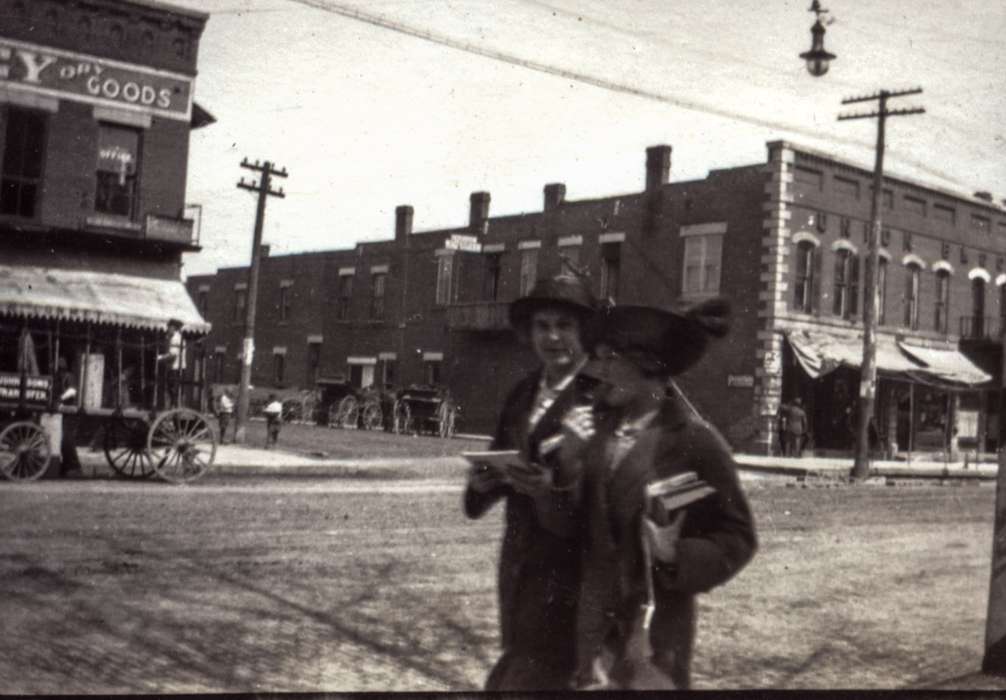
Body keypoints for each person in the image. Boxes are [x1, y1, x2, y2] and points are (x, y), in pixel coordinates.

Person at [556, 299, 757, 690]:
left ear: (646, 364)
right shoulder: (595, 433)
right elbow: (576, 527)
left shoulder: (696, 441)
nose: (599, 370)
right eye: (597, 359)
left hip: (655, 636)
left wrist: (674, 554)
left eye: (610, 358)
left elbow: (739, 537)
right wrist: (567, 464)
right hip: (592, 630)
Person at [463, 273, 600, 691]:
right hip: (520, 568)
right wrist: (483, 485)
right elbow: (500, 458)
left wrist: (553, 488)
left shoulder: (601, 397)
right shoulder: (522, 392)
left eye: (565, 326)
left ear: (585, 331)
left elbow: (611, 496)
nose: (553, 337)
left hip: (574, 575)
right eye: (542, 326)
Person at [56, 357, 82, 477]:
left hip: (72, 411)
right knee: (63, 439)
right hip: (66, 411)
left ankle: (74, 466)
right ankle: (67, 465)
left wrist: (61, 398)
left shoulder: (69, 377)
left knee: (67, 438)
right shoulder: (61, 378)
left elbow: (72, 391)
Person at [157, 319, 185, 408]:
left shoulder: (176, 339)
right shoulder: (173, 338)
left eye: (169, 327)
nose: (167, 329)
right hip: (174, 368)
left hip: (176, 368)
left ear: (173, 328)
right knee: (172, 390)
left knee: (173, 390)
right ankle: (173, 407)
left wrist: (160, 358)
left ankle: (174, 408)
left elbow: (173, 355)